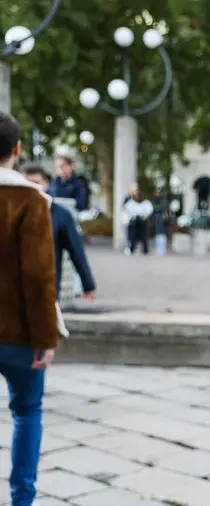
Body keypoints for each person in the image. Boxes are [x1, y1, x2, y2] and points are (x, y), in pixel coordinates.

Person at [0, 111, 67, 506]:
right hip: (19, 334)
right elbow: (39, 277)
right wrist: (46, 338)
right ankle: (21, 499)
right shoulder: (32, 200)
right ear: (17, 149)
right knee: (27, 412)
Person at [21, 164, 98, 301]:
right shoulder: (11, 211)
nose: (32, 188)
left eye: (36, 183)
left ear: (46, 184)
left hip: (48, 286)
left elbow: (76, 250)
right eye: (28, 184)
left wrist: (88, 285)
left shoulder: (60, 214)